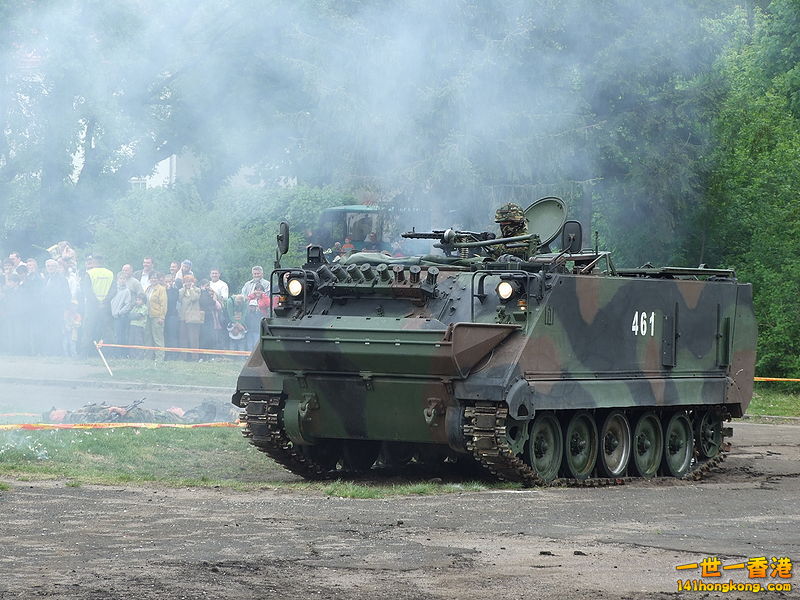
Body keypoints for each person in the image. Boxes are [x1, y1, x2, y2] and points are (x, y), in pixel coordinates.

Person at [81, 255, 114, 355]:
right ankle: (108, 353)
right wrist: (104, 301)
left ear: (94, 261)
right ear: (102, 261)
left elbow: (87, 290)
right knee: (107, 330)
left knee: (88, 330)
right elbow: (114, 290)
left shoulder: (89, 273)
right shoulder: (110, 273)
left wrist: (96, 302)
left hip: (92, 306)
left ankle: (85, 354)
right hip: (106, 306)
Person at [241, 266, 268, 349]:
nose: (256, 275)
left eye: (258, 273)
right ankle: (248, 353)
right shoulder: (247, 284)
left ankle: (258, 352)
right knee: (249, 332)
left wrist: (259, 300)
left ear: (262, 274)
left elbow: (267, 298)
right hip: (249, 313)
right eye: (255, 273)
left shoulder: (267, 284)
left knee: (258, 333)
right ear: (252, 274)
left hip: (261, 312)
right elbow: (243, 296)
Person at [178, 274, 202, 361]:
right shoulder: (181, 290)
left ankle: (194, 357)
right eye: (186, 281)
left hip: (193, 317)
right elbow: (180, 299)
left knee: (194, 338)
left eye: (190, 281)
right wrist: (184, 288)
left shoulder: (197, 290)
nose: (188, 283)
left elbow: (194, 298)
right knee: (183, 338)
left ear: (193, 282)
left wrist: (191, 289)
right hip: (183, 317)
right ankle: (183, 357)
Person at [144, 272, 167, 362]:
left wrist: (162, 317)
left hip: (157, 316)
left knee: (158, 338)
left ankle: (159, 358)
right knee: (148, 337)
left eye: (155, 278)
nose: (153, 279)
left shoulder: (161, 289)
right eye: (151, 278)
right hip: (148, 315)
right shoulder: (148, 288)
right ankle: (148, 357)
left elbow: (163, 304)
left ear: (158, 279)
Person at [110, 272, 133, 357]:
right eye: (120, 278)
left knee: (121, 335)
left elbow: (128, 305)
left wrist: (119, 313)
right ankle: (114, 353)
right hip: (112, 315)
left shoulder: (127, 291)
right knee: (114, 335)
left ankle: (121, 354)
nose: (122, 280)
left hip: (120, 317)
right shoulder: (113, 289)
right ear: (117, 279)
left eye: (124, 279)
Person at [128, 293, 148, 359]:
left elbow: (138, 316)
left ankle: (139, 356)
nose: (137, 301)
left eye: (139, 300)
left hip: (139, 327)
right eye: (136, 300)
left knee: (138, 342)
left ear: (143, 301)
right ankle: (132, 356)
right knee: (132, 341)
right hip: (132, 325)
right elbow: (130, 315)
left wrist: (134, 315)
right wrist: (134, 316)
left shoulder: (145, 308)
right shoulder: (135, 307)